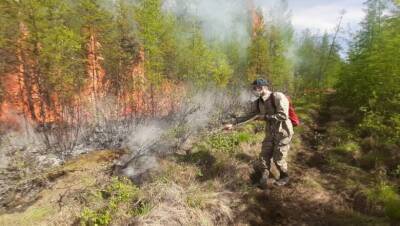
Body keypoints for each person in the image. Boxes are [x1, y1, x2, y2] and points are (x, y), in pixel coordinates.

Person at [224, 78, 294, 187]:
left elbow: (284, 115)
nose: (253, 90)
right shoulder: (258, 102)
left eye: (255, 88)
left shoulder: (278, 96)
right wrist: (233, 123)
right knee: (264, 155)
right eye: (253, 88)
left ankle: (285, 176)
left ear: (262, 87)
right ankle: (264, 176)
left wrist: (264, 117)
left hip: (283, 131)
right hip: (270, 131)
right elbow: (250, 115)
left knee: (278, 158)